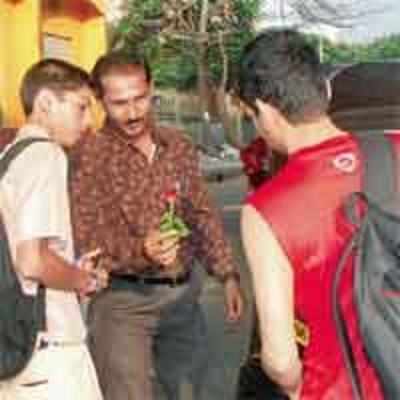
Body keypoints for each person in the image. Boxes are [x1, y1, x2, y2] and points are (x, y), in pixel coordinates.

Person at [70, 51, 244, 400]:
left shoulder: (176, 145)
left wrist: (226, 274)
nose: (133, 113)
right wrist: (140, 251)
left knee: (192, 392)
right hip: (122, 303)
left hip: (181, 299)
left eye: (139, 99)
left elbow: (201, 211)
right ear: (101, 100)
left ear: (150, 89)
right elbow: (86, 235)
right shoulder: (89, 154)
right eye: (119, 103)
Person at [236, 29, 387, 399]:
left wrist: (297, 388)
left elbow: (280, 358)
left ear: (266, 110)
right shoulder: (394, 151)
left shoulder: (266, 210)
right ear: (326, 90)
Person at [0, 59, 108, 399]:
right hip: (50, 352)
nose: (89, 122)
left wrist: (69, 269)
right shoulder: (46, 155)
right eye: (81, 108)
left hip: (17, 346)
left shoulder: (9, 158)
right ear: (46, 103)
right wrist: (83, 280)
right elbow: (31, 261)